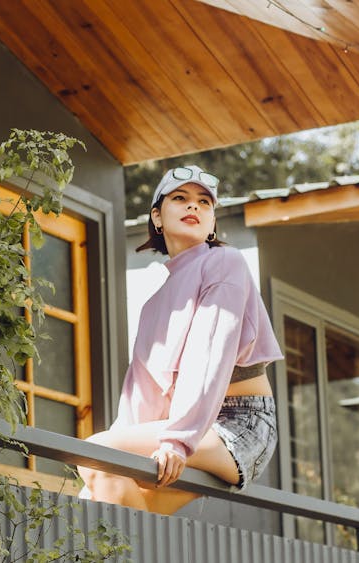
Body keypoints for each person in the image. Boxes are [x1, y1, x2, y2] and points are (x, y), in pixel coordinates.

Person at [77, 165, 283, 515]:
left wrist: (176, 440)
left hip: (239, 423)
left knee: (97, 453)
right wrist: (141, 446)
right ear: (156, 216)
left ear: (213, 220)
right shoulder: (153, 304)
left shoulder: (225, 263)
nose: (194, 207)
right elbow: (141, 393)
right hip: (188, 429)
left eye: (205, 202)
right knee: (93, 496)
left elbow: (209, 357)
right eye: (180, 198)